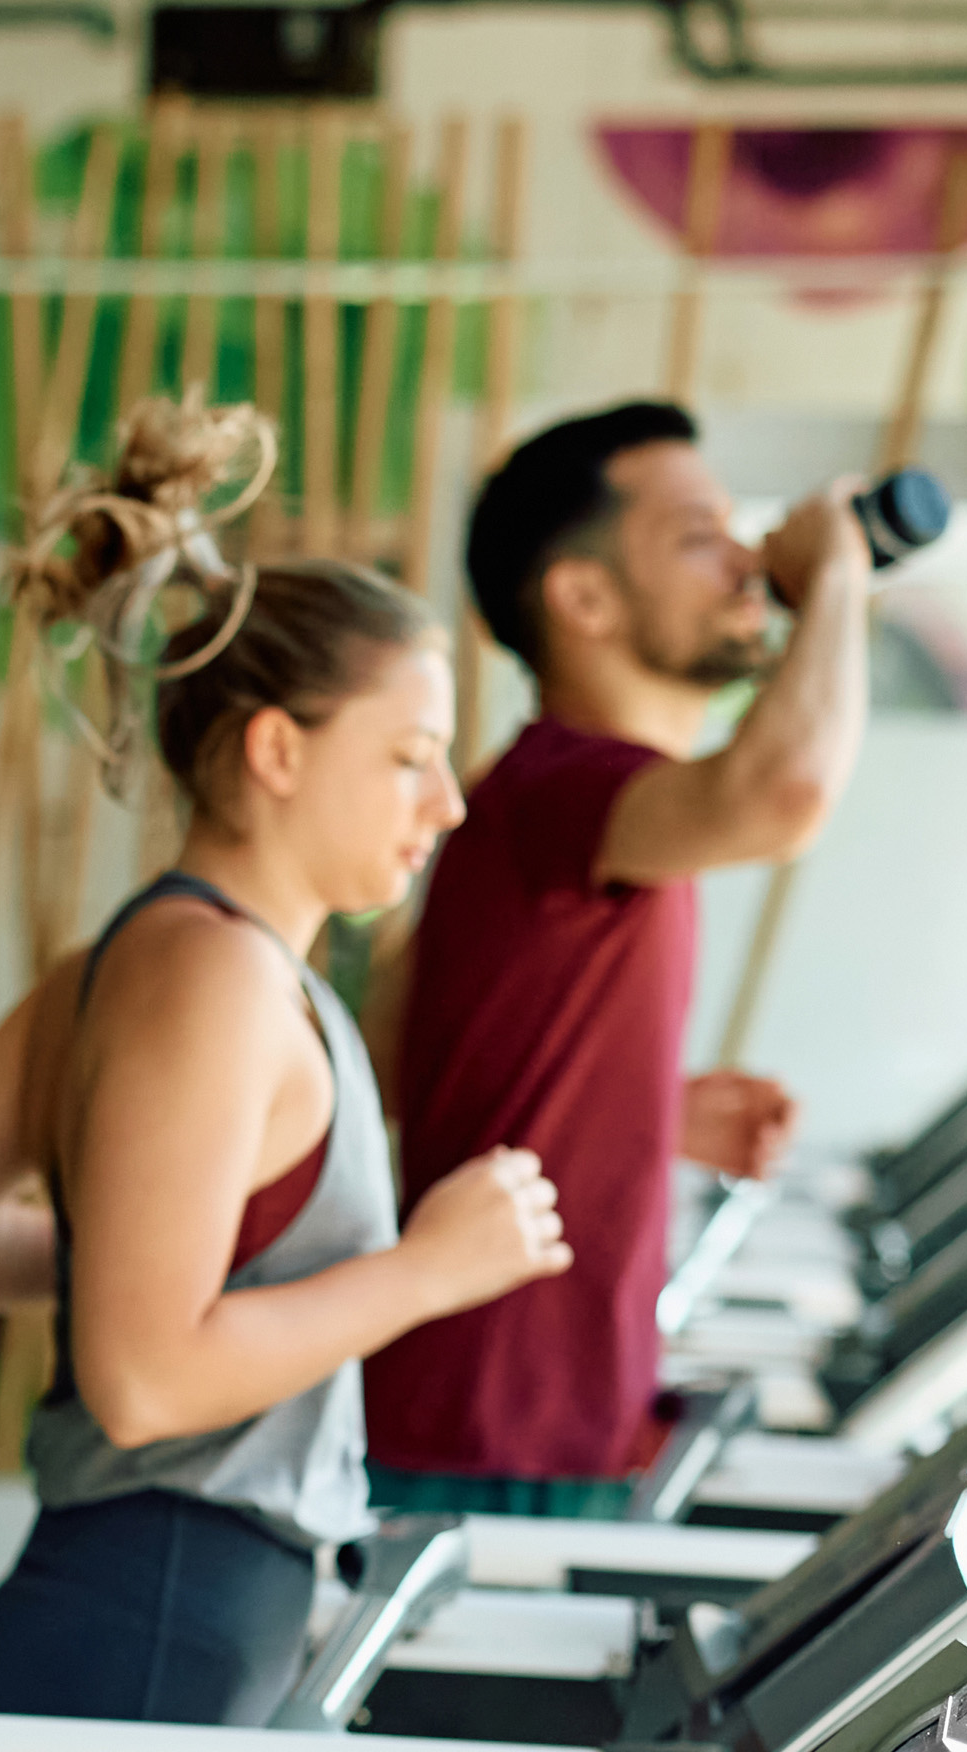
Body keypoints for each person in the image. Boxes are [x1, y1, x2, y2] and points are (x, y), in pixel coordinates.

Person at [0, 400, 571, 1752]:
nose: (445, 796)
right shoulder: (212, 977)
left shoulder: (183, 956)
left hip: (148, 1635)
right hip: (135, 1638)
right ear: (272, 749)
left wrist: (132, 1251)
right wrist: (422, 1270)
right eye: (407, 750)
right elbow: (140, 1371)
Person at [361, 400, 867, 1516]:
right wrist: (837, 577)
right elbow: (782, 795)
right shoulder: (560, 787)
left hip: (534, 1437)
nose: (745, 562)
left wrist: (637, 1111)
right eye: (699, 537)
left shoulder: (564, 805)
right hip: (486, 1448)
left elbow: (415, 1062)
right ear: (582, 598)